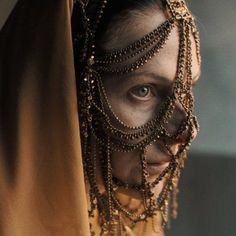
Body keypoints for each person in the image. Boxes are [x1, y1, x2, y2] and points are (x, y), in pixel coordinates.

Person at [0, 0, 201, 235]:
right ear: (66, 87)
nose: (187, 132)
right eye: (143, 91)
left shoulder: (121, 220)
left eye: (186, 90)